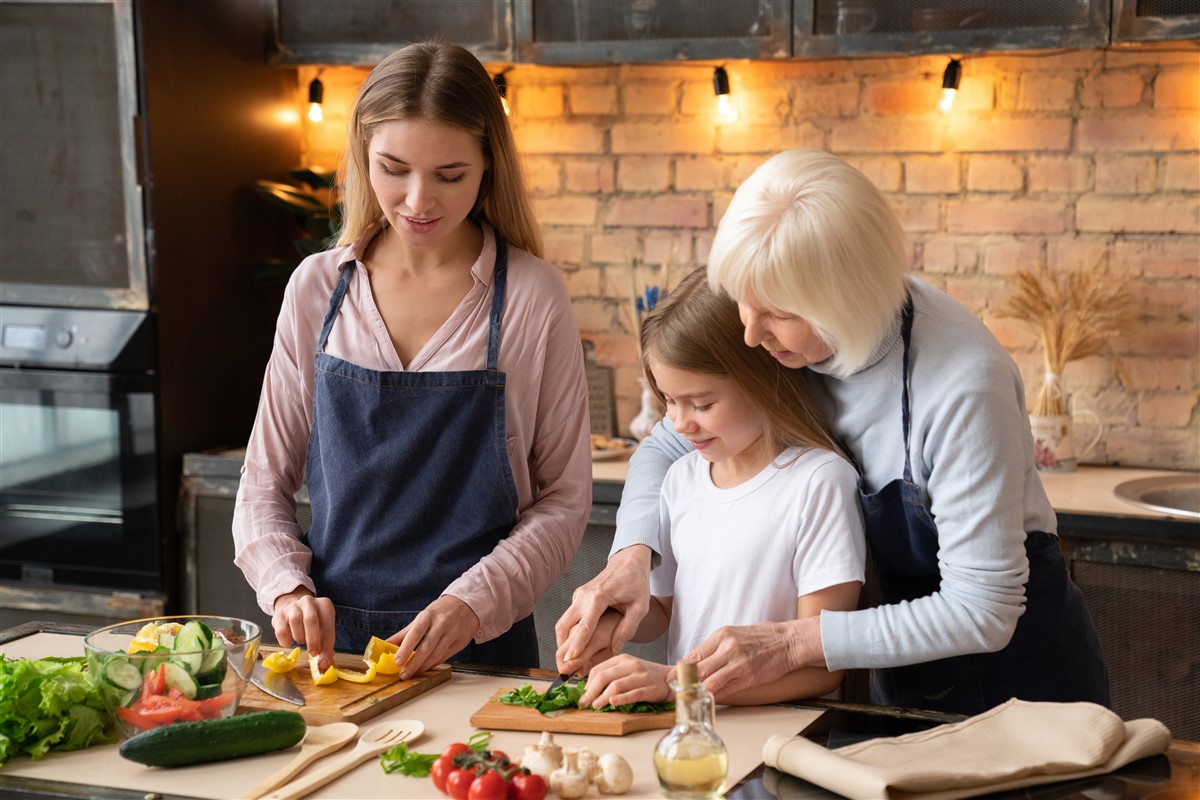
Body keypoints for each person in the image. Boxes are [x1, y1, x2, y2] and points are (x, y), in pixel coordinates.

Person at [556, 149, 1110, 715]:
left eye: (772, 312)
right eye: (744, 301)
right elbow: (665, 445)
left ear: (840, 300)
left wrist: (793, 641)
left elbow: (983, 609)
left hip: (1019, 685)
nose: (749, 333)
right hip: (900, 672)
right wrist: (631, 559)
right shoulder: (789, 338)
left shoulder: (964, 386)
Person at [233, 41, 591, 678]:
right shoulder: (317, 288)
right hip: (332, 657)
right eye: (393, 168)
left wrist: (471, 604)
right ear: (361, 156)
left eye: (449, 175)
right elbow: (263, 484)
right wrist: (286, 587)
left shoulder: (532, 296)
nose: (418, 200)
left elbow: (563, 500)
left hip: (480, 653)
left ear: (488, 165)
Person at [576, 267, 866, 710]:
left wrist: (679, 684)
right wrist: (612, 619)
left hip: (782, 735)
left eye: (702, 404)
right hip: (693, 730)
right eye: (669, 401)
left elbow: (823, 666)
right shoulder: (680, 479)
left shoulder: (819, 482)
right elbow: (662, 613)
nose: (679, 423)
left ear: (763, 379)